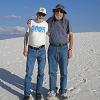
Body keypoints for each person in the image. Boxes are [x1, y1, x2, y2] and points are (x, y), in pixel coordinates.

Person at [46, 4, 73, 99]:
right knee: (52, 72)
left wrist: (70, 49)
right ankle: (52, 90)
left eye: (61, 11)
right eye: (57, 11)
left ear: (63, 13)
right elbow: (41, 26)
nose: (59, 13)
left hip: (64, 49)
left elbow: (71, 36)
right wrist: (31, 22)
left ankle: (63, 91)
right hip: (52, 48)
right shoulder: (49, 20)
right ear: (54, 11)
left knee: (64, 72)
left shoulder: (67, 21)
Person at [23, 7, 48, 100]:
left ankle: (38, 93)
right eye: (39, 14)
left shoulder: (46, 24)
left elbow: (51, 33)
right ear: (37, 14)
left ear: (45, 16)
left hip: (42, 51)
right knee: (29, 73)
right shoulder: (31, 22)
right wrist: (24, 48)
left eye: (43, 15)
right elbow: (26, 36)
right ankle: (26, 94)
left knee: (41, 73)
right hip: (31, 50)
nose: (41, 16)